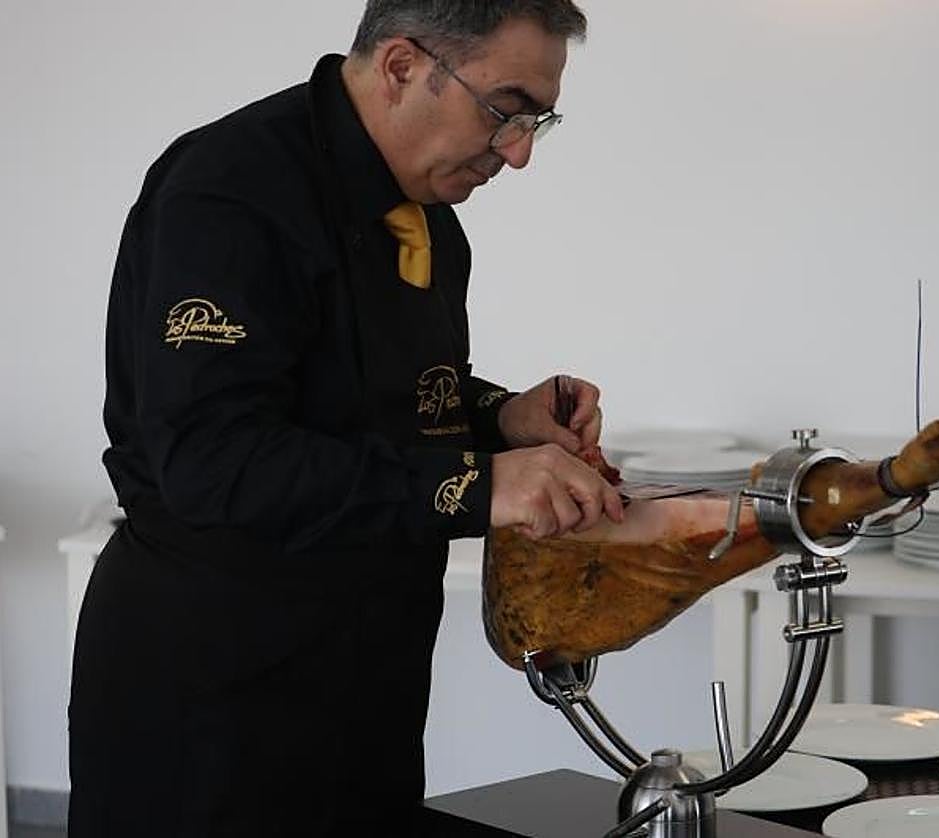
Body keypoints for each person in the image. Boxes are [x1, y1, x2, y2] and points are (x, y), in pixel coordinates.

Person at [68, 2, 621, 835]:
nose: (517, 153)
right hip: (214, 694)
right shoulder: (229, 190)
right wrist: (480, 484)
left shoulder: (433, 216)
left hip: (369, 685)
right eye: (505, 110)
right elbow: (218, 463)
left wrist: (501, 417)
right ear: (402, 66)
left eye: (537, 119)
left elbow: (378, 404)